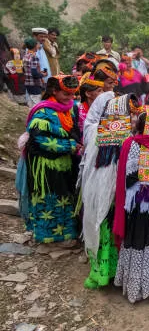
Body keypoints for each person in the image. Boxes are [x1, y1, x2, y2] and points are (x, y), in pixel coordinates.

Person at [80, 92, 141, 289]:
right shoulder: (122, 138)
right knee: (108, 228)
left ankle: (106, 272)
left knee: (105, 228)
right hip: (112, 195)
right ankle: (111, 272)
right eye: (129, 114)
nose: (132, 119)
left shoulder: (97, 131)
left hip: (102, 194)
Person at [113, 106, 149, 303]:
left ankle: (134, 285)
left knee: (136, 238)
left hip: (137, 200)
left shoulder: (132, 144)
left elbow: (127, 177)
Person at [18, 75, 80, 244]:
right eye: (66, 94)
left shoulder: (70, 108)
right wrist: (70, 146)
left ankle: (65, 234)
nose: (71, 98)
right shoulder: (43, 112)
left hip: (65, 163)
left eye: (73, 94)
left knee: (65, 198)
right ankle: (47, 236)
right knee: (49, 198)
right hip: (45, 165)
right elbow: (40, 140)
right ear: (54, 91)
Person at [23, 37, 47, 107]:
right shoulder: (34, 57)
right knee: (36, 103)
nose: (38, 46)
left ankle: (30, 116)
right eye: (37, 44)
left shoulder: (25, 56)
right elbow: (34, 74)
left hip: (27, 83)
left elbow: (26, 70)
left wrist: (39, 73)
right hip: (34, 84)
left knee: (31, 102)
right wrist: (43, 74)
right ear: (34, 46)